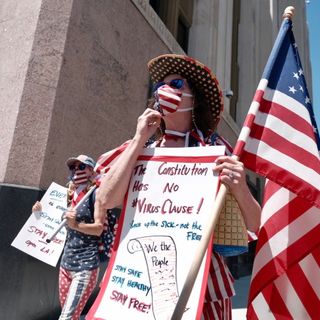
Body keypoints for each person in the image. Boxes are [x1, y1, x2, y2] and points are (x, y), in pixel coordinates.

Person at [95, 54, 261, 319]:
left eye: (176, 84)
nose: (164, 89)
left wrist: (239, 186)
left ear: (194, 99)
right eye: (159, 85)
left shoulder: (216, 153)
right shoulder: (139, 149)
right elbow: (106, 199)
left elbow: (255, 224)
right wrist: (139, 138)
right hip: (138, 284)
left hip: (206, 289)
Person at [32, 155, 106, 320]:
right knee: (72, 316)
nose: (75, 171)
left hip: (85, 266)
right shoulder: (68, 195)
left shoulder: (96, 194)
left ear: (91, 170)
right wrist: (38, 213)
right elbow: (55, 223)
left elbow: (99, 228)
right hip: (66, 265)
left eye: (81, 167)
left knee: (66, 317)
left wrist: (76, 225)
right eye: (73, 167)